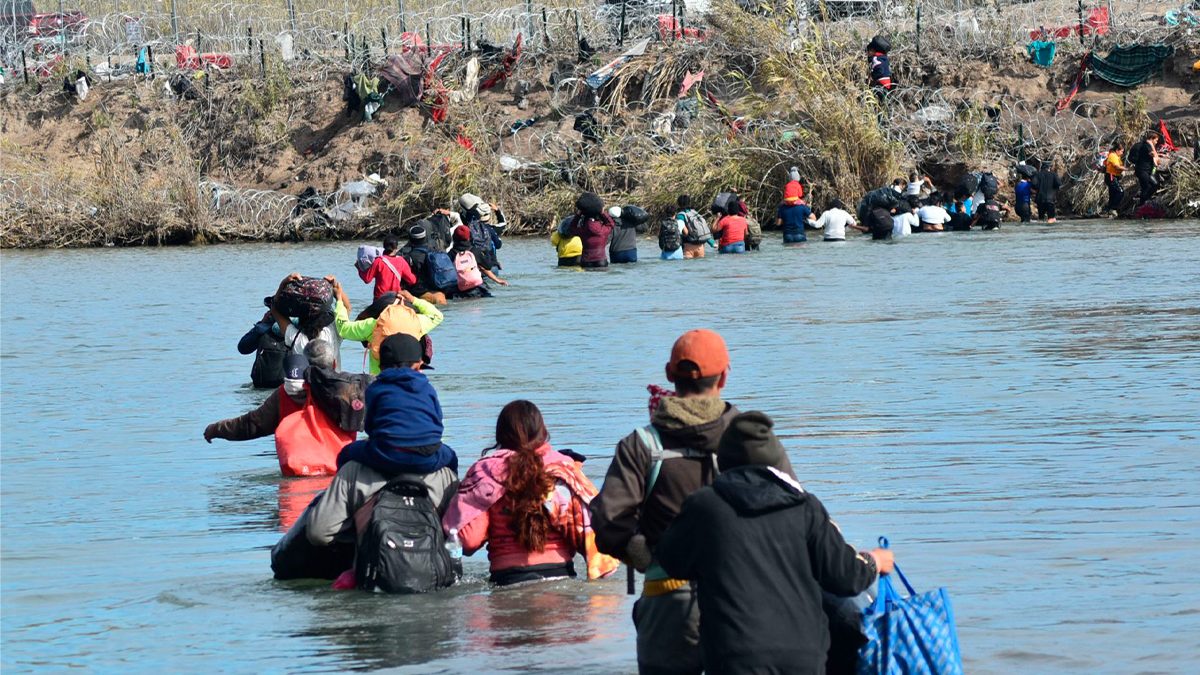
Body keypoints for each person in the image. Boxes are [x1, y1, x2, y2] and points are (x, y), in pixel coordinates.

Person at [655, 411, 895, 674]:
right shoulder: (805, 506)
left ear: (723, 460)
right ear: (776, 461)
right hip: (803, 657)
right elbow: (845, 578)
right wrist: (873, 561)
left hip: (733, 657)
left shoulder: (704, 506)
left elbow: (671, 561)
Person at [591, 329, 741, 675]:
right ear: (725, 377)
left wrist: (644, 555)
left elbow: (608, 521)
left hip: (667, 597)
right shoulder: (747, 437)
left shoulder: (641, 445)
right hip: (740, 597)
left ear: (669, 374)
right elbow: (787, 508)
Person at [270, 333, 459, 581]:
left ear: (380, 364)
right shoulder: (427, 389)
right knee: (451, 460)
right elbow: (437, 425)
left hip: (380, 453)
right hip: (429, 458)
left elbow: (318, 533)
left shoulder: (376, 388)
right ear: (418, 365)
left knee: (346, 456)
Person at [442, 400, 620, 585]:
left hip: (507, 582)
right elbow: (598, 538)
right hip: (561, 581)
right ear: (543, 432)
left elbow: (467, 540)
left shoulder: (484, 473)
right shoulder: (563, 469)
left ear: (500, 435)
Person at [204, 341, 359, 476]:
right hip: (340, 474)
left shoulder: (286, 393)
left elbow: (251, 425)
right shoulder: (348, 390)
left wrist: (216, 429)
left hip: (298, 474)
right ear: (333, 364)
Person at [331, 279, 443, 374]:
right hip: (411, 382)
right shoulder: (417, 321)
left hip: (380, 383)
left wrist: (339, 300)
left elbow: (343, 328)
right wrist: (414, 299)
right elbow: (437, 316)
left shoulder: (374, 325)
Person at [269, 273, 344, 367]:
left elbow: (274, 308)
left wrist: (283, 284)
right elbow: (346, 309)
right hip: (334, 381)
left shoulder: (296, 338)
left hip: (306, 381)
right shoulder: (333, 331)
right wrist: (337, 291)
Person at [449, 225, 509, 295]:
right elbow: (487, 267)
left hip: (459, 289)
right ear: (469, 237)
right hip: (476, 287)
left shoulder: (450, 254)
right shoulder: (475, 251)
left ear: (454, 238)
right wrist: (498, 280)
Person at [397, 225, 448, 305]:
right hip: (438, 288)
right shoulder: (435, 251)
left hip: (418, 292)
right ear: (425, 238)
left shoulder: (407, 256)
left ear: (411, 239)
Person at [238, 311, 287, 389]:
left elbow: (243, 348)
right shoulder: (300, 330)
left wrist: (262, 323)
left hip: (261, 385)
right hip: (288, 386)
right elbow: (243, 348)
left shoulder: (263, 330)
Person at [359, 235, 417, 300]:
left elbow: (367, 279)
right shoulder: (401, 261)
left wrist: (359, 269)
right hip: (396, 297)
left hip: (380, 298)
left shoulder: (378, 261)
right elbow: (412, 280)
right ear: (396, 247)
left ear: (384, 247)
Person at [569, 192, 616, 269]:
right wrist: (602, 212)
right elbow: (611, 224)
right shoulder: (603, 231)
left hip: (586, 262)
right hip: (601, 261)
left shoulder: (583, 231)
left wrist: (578, 215)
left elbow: (571, 228)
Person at [1128, 131, 1160, 206]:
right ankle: (1142, 204)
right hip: (1142, 170)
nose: (1156, 142)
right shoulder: (1146, 145)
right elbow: (1155, 157)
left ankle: (1144, 201)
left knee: (1152, 185)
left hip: (1145, 170)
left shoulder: (1146, 145)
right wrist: (1153, 147)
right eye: (1156, 140)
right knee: (1147, 186)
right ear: (1152, 139)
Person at [1103, 143, 1127, 217]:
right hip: (1111, 176)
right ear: (1117, 150)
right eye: (1121, 151)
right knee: (1120, 192)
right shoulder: (1113, 155)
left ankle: (1109, 210)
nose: (1122, 153)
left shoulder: (1116, 156)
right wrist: (1127, 169)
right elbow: (1117, 166)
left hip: (1113, 176)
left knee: (1113, 194)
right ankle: (1113, 209)